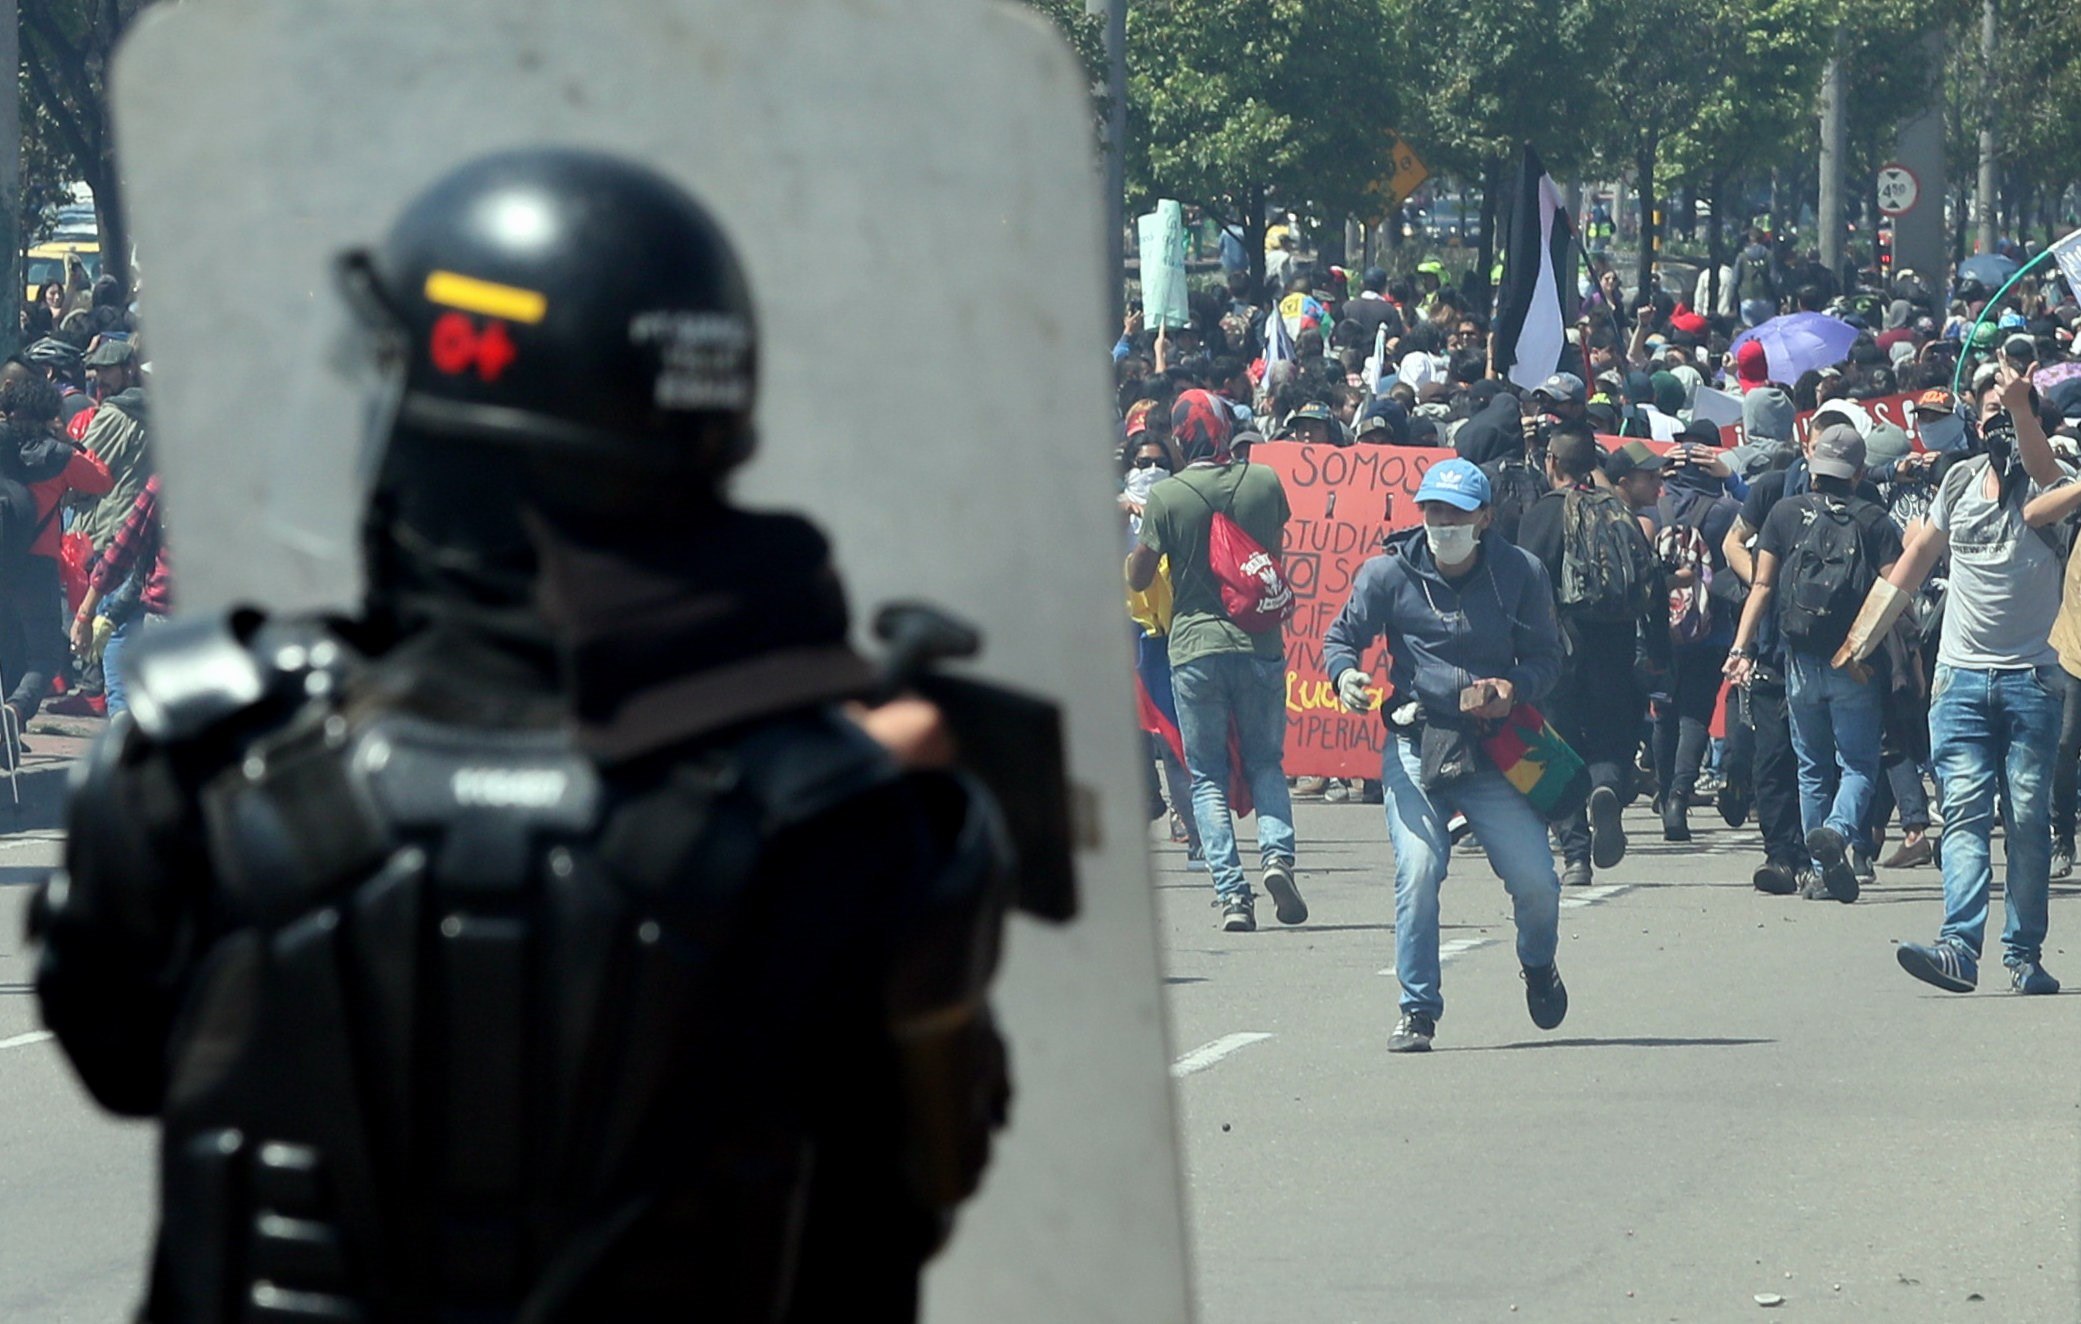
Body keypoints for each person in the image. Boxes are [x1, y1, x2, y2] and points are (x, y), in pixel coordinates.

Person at [33, 149, 1033, 1321]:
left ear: (428, 426)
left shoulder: (197, 760)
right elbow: (897, 1207)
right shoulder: (844, 812)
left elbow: (120, 1056)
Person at [1322, 458, 1567, 1053]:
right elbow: (1340, 638)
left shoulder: (1521, 573)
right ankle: (1417, 1010)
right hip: (1416, 743)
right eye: (1433, 511)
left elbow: (1548, 659)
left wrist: (1516, 689)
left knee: (1537, 882)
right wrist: (1345, 674)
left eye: (1457, 513)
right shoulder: (1387, 575)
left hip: (1494, 755)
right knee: (1420, 871)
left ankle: (1539, 965)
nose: (1443, 523)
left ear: (1484, 518)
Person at [1851, 370, 2079, 993]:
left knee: (2028, 818)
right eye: (1992, 413)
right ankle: (1958, 945)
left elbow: (2044, 476)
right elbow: (1917, 557)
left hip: (2032, 681)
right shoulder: (1955, 481)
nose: (2001, 423)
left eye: (2016, 413)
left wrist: (2020, 408)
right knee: (1964, 814)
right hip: (1959, 680)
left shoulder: (2052, 491)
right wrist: (1863, 636)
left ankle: (2023, 956)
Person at [1128, 388, 1304, 932]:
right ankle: (1276, 857)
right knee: (1265, 761)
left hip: (1194, 649)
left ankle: (1232, 895)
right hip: (1260, 645)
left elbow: (1139, 575)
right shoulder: (1264, 481)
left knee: (1205, 774)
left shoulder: (1168, 498)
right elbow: (1271, 544)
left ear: (1180, 438)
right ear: (1226, 429)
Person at [1725, 425, 1902, 902]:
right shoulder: (1875, 520)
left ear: (1813, 463)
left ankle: (1820, 868)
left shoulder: (1785, 513)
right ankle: (1840, 833)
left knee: (1811, 767)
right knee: (1859, 765)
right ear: (1859, 472)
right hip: (1853, 660)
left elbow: (1762, 586)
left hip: (1797, 659)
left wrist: (1741, 648)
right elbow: (1894, 596)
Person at [1516, 431, 1665, 886]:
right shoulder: (1620, 512)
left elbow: (1523, 584)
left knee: (1558, 749)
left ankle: (1576, 854)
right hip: (1616, 642)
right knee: (1611, 739)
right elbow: (1651, 585)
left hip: (1558, 646)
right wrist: (1659, 652)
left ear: (1552, 461)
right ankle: (1606, 788)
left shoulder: (1541, 514)